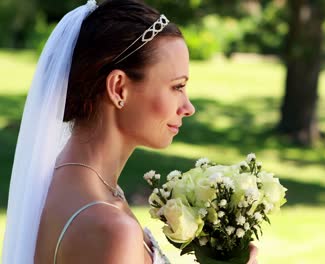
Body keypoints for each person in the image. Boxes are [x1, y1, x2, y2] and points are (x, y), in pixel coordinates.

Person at [1, 0, 258, 263]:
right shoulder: (112, 228)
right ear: (119, 88)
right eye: (177, 87)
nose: (188, 107)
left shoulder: (69, 183)